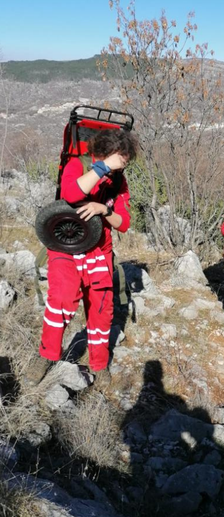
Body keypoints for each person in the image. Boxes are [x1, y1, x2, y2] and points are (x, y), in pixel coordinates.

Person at [30, 128, 139, 386]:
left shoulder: (118, 182)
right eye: (120, 159)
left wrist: (103, 209)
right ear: (105, 152)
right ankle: (47, 355)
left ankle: (99, 364)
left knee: (102, 309)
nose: (121, 166)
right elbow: (72, 194)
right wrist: (102, 168)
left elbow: (123, 222)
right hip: (66, 247)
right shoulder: (77, 165)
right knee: (62, 299)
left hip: (99, 249)